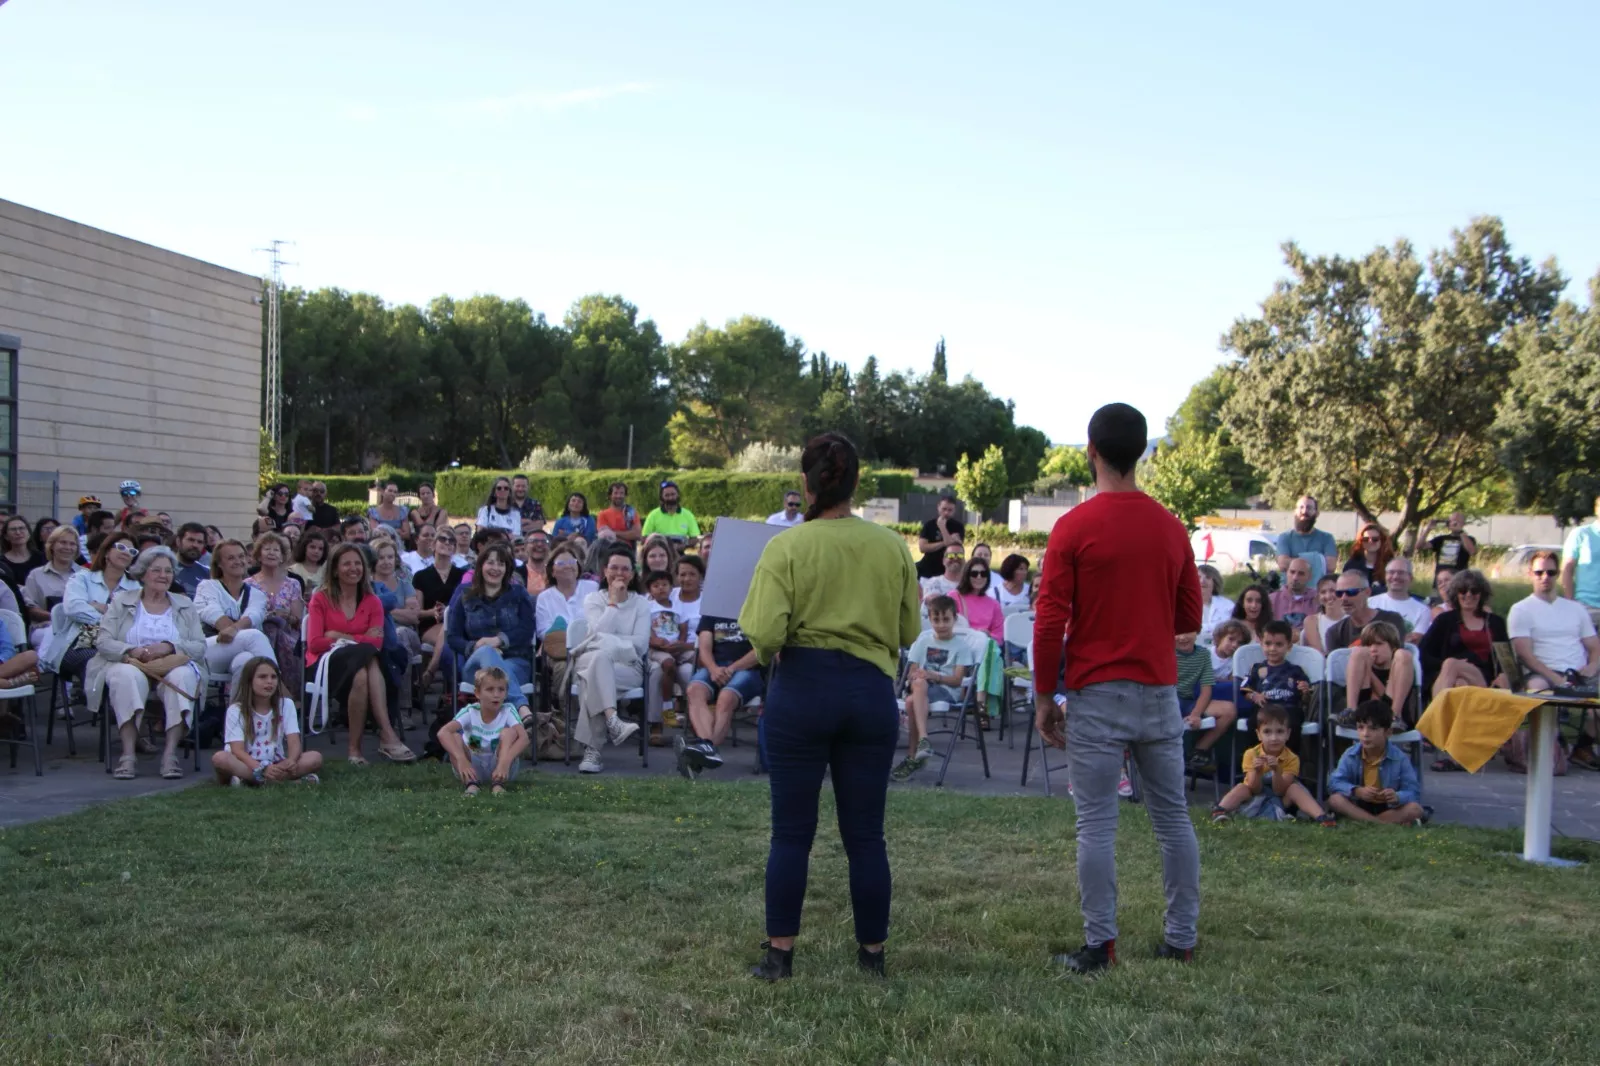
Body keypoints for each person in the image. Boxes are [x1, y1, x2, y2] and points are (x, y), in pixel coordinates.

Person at [738, 431, 921, 981]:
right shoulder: (891, 546)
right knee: (866, 835)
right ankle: (872, 956)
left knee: (791, 832)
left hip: (803, 691)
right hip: (869, 693)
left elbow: (765, 634)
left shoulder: (786, 546)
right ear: (857, 482)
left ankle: (780, 956)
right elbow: (909, 628)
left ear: (805, 483)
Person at [1032, 403, 1202, 973]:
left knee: (1096, 822)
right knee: (1172, 818)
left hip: (1096, 691)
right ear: (1144, 453)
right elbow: (1188, 618)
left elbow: (1050, 620)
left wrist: (1040, 698)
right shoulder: (1171, 527)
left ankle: (1100, 943)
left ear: (1091, 451)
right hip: (1157, 689)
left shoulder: (1073, 527)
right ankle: (1181, 938)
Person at [91, 545, 206, 781]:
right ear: (142, 574)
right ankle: (128, 754)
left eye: (168, 571)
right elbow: (103, 640)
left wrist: (170, 647)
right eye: (156, 570)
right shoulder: (122, 601)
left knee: (183, 676)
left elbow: (199, 645)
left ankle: (170, 754)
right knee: (125, 676)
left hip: (172, 664)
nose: (164, 576)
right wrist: (131, 649)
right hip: (131, 662)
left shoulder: (184, 604)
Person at [305, 543, 416, 765]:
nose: (353, 568)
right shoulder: (321, 598)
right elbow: (315, 643)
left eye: (358, 563)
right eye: (346, 563)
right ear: (335, 570)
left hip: (360, 663)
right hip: (326, 664)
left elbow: (377, 641)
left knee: (363, 671)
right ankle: (386, 734)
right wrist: (358, 637)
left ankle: (355, 752)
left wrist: (337, 634)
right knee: (367, 656)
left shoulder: (372, 600)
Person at [1510, 550, 1600, 769]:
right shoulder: (1521, 609)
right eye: (1539, 572)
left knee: (1594, 707)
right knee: (1538, 689)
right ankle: (1547, 745)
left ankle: (1582, 746)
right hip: (1542, 672)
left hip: (1579, 673)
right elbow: (1525, 654)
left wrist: (1591, 667)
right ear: (1530, 573)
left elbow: (1595, 647)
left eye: (1550, 572)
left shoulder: (1575, 609)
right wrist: (1555, 678)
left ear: (1557, 574)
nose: (1545, 577)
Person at [1419, 568, 1510, 770]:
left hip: (1484, 679)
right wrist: (1447, 667)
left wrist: (1503, 675)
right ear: (1455, 593)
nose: (1468, 595)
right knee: (1457, 680)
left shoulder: (1494, 623)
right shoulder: (1445, 620)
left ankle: (1434, 722)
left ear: (1482, 594)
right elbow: (1423, 654)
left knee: (1452, 663)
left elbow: (1506, 657)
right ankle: (1455, 755)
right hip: (1450, 680)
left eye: (1474, 591)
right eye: (1462, 590)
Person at [568, 548, 648, 773]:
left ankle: (593, 752)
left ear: (633, 574)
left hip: (628, 668)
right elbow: (599, 632)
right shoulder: (593, 599)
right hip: (590, 661)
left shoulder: (641, 604)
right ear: (605, 571)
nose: (619, 573)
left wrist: (606, 641)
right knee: (598, 661)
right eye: (614, 567)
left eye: (625, 568)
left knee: (594, 672)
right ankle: (613, 720)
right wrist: (613, 603)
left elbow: (641, 645)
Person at [891, 594, 974, 782]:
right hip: (922, 690)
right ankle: (921, 745)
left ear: (955, 618)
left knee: (914, 697)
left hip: (947, 692)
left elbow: (957, 681)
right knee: (915, 692)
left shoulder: (961, 647)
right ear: (929, 619)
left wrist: (933, 676)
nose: (941, 624)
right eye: (936, 620)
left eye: (946, 619)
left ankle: (918, 750)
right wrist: (921, 676)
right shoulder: (922, 641)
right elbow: (912, 673)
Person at [446, 543, 535, 717]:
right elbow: (453, 637)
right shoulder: (465, 594)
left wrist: (499, 641)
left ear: (507, 569)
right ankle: (522, 708)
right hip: (476, 667)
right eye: (491, 563)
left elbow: (527, 629)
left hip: (515, 662)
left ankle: (496, 733)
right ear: (481, 566)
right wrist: (477, 645)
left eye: (501, 564)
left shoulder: (518, 593)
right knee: (487, 651)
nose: (495, 568)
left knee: (499, 675)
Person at [44, 532, 141, 687]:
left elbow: (137, 618)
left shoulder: (136, 587)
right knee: (99, 662)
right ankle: (101, 708)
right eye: (121, 547)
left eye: (132, 551)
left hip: (118, 645)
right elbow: (74, 608)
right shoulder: (82, 578)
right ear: (107, 551)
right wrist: (112, 619)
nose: (126, 552)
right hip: (78, 644)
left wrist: (105, 608)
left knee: (126, 665)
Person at [1210, 704, 1334, 825]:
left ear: (1288, 734)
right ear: (1259, 734)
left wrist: (1276, 771)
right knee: (1241, 787)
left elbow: (1280, 791)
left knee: (1295, 788)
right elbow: (1254, 789)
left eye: (1280, 731)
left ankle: (1321, 817)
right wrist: (1257, 772)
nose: (1274, 738)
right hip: (1255, 799)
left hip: (1281, 801)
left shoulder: (1292, 758)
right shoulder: (1251, 754)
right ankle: (1220, 810)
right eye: (1267, 732)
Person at [211, 657, 322, 786]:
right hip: (247, 763)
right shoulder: (236, 710)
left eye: (273, 677)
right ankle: (287, 783)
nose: (269, 682)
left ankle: (252, 781)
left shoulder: (286, 704)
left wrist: (291, 760)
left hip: (276, 763)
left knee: (315, 757)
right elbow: (237, 750)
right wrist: (261, 768)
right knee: (220, 758)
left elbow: (294, 740)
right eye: (262, 677)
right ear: (249, 681)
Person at [677, 610, 763, 775]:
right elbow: (704, 647)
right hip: (715, 667)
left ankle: (706, 749)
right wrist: (713, 669)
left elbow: (761, 649)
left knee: (726, 697)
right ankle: (708, 749)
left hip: (749, 669)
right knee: (694, 690)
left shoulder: (757, 608)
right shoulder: (714, 611)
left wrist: (731, 669)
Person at [1326, 700, 1426, 825]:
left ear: (1388, 732)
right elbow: (1334, 782)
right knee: (1335, 800)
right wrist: (1356, 791)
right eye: (1361, 727)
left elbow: (1413, 791)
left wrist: (1397, 796)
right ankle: (1379, 823)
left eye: (1373, 729)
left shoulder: (1399, 758)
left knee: (1415, 809)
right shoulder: (1351, 754)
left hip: (1388, 807)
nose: (1365, 734)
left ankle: (1367, 822)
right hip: (1359, 804)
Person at [195, 539, 278, 687]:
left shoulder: (257, 594)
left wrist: (233, 630)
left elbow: (254, 615)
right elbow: (212, 613)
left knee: (245, 660)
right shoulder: (207, 586)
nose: (238, 561)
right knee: (255, 635)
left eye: (241, 556)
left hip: (239, 651)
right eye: (231, 558)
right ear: (219, 564)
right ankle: (279, 691)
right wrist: (231, 629)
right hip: (211, 650)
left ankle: (238, 709)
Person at [438, 665, 529, 795]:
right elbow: (443, 733)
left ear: (506, 693)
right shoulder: (470, 711)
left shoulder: (508, 710)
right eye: (490, 689)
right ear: (477, 693)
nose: (496, 695)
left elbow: (524, 738)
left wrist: (505, 761)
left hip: (500, 765)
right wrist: (461, 759)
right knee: (454, 737)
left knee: (509, 733)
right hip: (471, 764)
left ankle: (498, 784)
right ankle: (471, 784)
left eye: (501, 690)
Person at [245, 531, 305, 706]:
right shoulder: (248, 584)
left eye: (276, 550)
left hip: (287, 634)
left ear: (282, 556)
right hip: (258, 635)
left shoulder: (292, 584)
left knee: (279, 634)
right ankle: (284, 697)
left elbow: (298, 620)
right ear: (258, 555)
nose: (271, 553)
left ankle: (284, 696)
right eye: (267, 549)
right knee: (270, 630)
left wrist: (285, 615)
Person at [644, 569, 695, 746]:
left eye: (664, 585)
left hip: (676, 647)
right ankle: (666, 710)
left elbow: (684, 627)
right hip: (657, 648)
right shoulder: (648, 606)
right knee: (667, 664)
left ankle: (699, 714)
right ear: (650, 589)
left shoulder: (677, 605)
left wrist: (680, 644)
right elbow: (646, 629)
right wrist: (657, 642)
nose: (661, 589)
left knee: (695, 659)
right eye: (656, 586)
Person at [413, 527, 464, 688]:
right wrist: (433, 612)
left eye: (451, 541)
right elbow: (417, 612)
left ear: (455, 548)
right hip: (430, 625)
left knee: (449, 630)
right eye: (443, 539)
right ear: (433, 545)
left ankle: (431, 670)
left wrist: (448, 611)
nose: (447, 543)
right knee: (448, 634)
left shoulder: (463, 575)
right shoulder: (421, 576)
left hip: (457, 623)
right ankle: (449, 692)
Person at [1340, 621, 1414, 728]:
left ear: (1392, 646)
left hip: (1391, 711)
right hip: (1363, 711)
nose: (1373, 649)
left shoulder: (1401, 666)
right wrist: (1367, 669)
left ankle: (1395, 717)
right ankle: (1351, 711)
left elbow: (1383, 697)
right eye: (1369, 645)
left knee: (1403, 654)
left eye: (1379, 644)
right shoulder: (1360, 665)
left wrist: (1369, 672)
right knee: (1358, 652)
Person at [1178, 630, 1233, 776]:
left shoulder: (1203, 654)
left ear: (1197, 632)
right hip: (1168, 701)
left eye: (1187, 632)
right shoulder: (1166, 652)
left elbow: (1206, 689)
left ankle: (1198, 752)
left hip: (1191, 701)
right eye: (1177, 632)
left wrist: (1196, 714)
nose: (1183, 636)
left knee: (1229, 710)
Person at [1239, 620, 1312, 728]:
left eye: (1279, 644)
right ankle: (1256, 745)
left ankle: (1290, 746)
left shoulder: (1296, 670)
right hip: (1264, 707)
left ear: (1289, 646)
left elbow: (1306, 698)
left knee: (1294, 721)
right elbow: (1244, 689)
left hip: (1289, 708)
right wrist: (1254, 696)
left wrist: (1305, 691)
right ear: (1261, 644)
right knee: (1253, 721)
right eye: (1268, 644)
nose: (1272, 649)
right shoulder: (1256, 668)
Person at [1316, 570, 1407, 654]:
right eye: (1339, 593)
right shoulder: (1334, 632)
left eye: (1351, 592)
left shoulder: (1391, 620)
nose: (1344, 598)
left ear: (1367, 592)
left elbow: (1397, 657)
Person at [24, 525, 82, 652]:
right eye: (63, 542)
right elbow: (31, 609)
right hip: (45, 628)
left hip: (79, 629)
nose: (67, 547)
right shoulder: (36, 575)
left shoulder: (87, 576)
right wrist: (58, 617)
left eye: (72, 544)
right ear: (52, 545)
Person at [535, 545, 598, 642]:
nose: (568, 566)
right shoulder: (544, 597)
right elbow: (543, 631)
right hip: (559, 649)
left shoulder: (593, 588)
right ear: (552, 571)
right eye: (561, 563)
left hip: (591, 644)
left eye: (572, 562)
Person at [1274, 495, 1338, 581]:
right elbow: (1283, 564)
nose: (1304, 511)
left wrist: (1294, 561)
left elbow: (1330, 566)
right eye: (1301, 507)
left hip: (1317, 591)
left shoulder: (1327, 538)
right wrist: (1318, 560)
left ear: (1317, 513)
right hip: (1289, 591)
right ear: (1295, 512)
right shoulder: (1284, 537)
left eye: (1309, 508)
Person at [1369, 557, 1430, 644]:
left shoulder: (1422, 610)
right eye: (1391, 572)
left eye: (1401, 573)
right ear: (1385, 576)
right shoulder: (1369, 602)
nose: (1395, 576)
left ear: (1411, 578)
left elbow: (1414, 641)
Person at [1561, 495, 1600, 626]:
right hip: (1586, 606)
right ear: (1596, 509)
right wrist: (1570, 603)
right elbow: (1567, 568)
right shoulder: (1581, 534)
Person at [953, 558, 1004, 645]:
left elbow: (999, 637)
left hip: (984, 648)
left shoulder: (994, 604)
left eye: (983, 574)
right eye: (974, 573)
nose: (979, 577)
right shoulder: (954, 597)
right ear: (967, 575)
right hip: (959, 645)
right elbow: (945, 625)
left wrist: (988, 636)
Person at [915, 495, 966, 581]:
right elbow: (922, 548)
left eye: (950, 510)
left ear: (954, 510)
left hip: (948, 568)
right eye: (944, 509)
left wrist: (942, 527)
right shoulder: (929, 525)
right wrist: (945, 542)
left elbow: (955, 547)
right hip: (928, 567)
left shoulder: (958, 527)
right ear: (938, 507)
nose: (946, 512)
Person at [641, 480, 700, 547]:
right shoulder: (653, 515)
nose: (670, 498)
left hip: (680, 554)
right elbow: (644, 539)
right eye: (667, 495)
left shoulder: (688, 515)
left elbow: (694, 538)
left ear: (678, 494)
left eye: (673, 494)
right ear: (661, 497)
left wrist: (684, 545)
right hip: (660, 554)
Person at [1269, 558, 1317, 636]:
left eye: (1301, 574)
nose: (1295, 578)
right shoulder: (1272, 599)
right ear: (1287, 573)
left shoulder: (1317, 599)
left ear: (1309, 577)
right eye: (1292, 572)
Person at [1343, 522, 1394, 595]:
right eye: (1366, 539)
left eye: (1375, 539)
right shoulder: (1351, 565)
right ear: (1360, 541)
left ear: (1382, 540)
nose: (1370, 542)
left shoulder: (1390, 564)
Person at [2, 514, 44, 592]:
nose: (18, 532)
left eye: (22, 528)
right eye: (13, 529)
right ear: (6, 536)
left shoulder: (41, 558)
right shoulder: (2, 562)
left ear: (28, 533)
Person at [1195, 564, 1233, 645]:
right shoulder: (1183, 605)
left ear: (1215, 582)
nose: (1202, 581)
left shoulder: (1228, 606)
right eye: (1198, 577)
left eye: (1208, 578)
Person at [1302, 575, 1341, 651]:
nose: (1328, 596)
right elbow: (1318, 654)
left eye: (1332, 591)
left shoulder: (1352, 618)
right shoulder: (1312, 621)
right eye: (1323, 592)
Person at [174, 523, 210, 597]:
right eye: (191, 540)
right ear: (178, 541)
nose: (195, 545)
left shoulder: (207, 573)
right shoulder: (165, 569)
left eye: (200, 542)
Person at [290, 530, 329, 595]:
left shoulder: (328, 568)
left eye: (320, 549)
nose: (316, 551)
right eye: (312, 547)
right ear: (304, 548)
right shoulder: (293, 570)